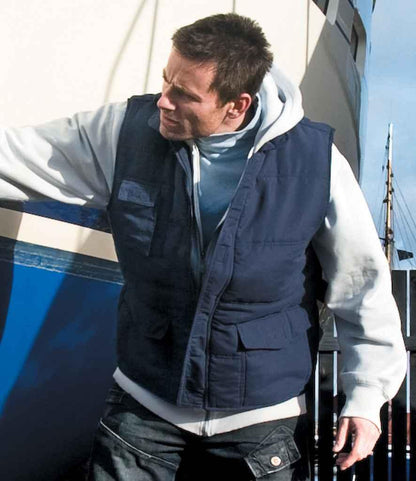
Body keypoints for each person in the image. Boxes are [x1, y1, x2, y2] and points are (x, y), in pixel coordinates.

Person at [0, 13, 406, 481]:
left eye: (184, 94)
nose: (163, 101)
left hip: (261, 427)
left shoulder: (316, 165)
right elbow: (24, 155)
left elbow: (361, 284)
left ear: (237, 105)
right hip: (143, 411)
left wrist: (366, 397)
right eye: (165, 81)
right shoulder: (123, 130)